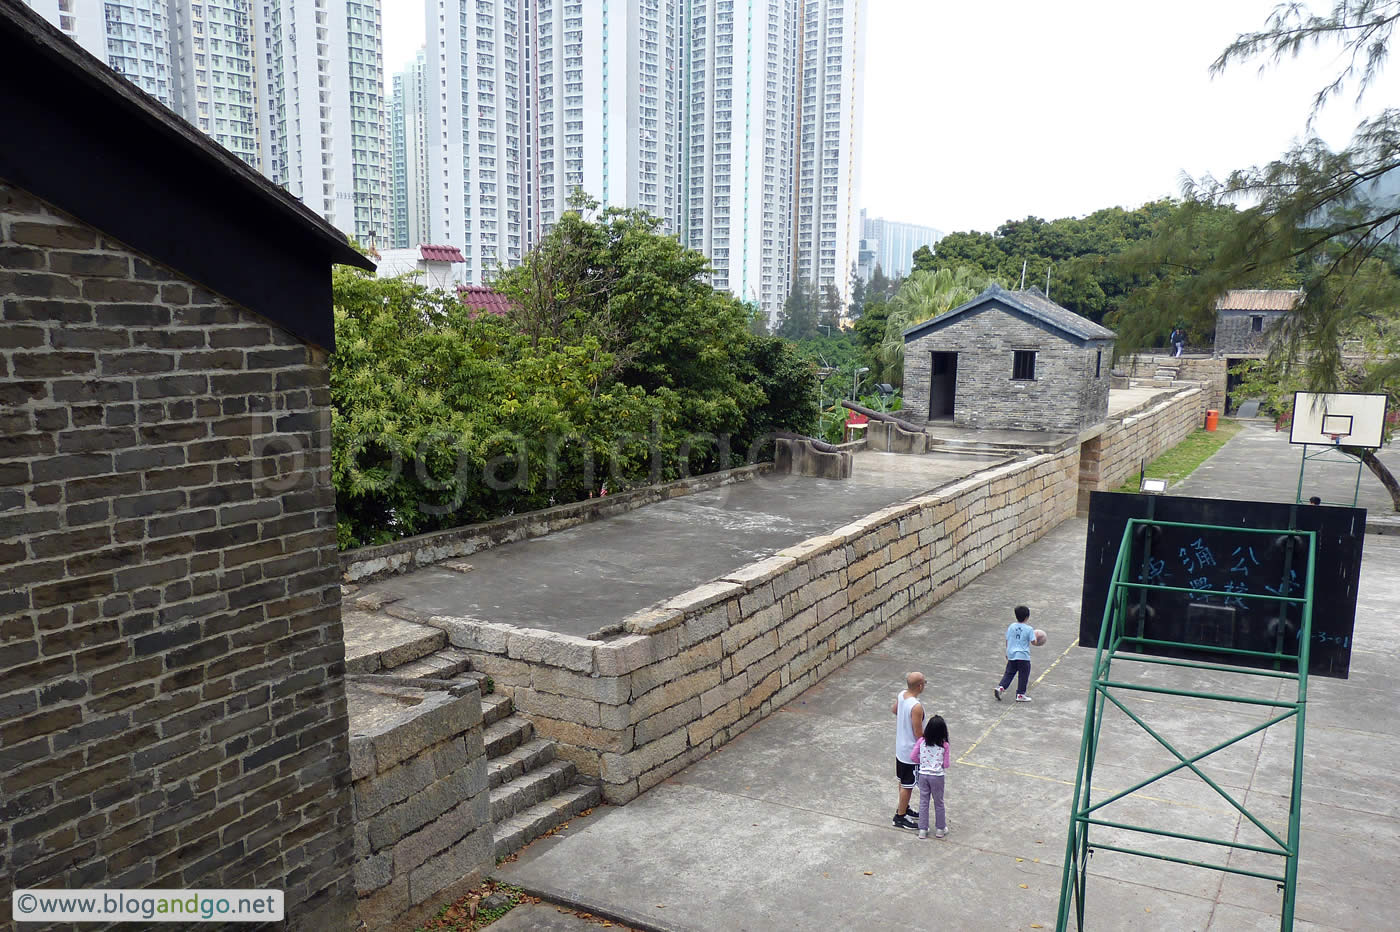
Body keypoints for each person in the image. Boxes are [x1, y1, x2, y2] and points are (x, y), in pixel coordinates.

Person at [890, 672, 925, 830]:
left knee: (903, 782)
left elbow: (894, 710)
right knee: (908, 785)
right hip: (910, 753)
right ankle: (900, 817)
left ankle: (904, 807)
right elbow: (918, 733)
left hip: (900, 749)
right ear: (920, 686)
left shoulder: (902, 694)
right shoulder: (916, 706)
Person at [913, 713, 951, 839]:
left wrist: (923, 762)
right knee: (939, 802)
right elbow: (946, 764)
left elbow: (913, 757)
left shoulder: (921, 742)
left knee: (924, 802)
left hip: (923, 775)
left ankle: (922, 830)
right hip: (937, 776)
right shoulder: (944, 745)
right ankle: (940, 828)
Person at [994, 606, 1036, 703]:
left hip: (1012, 655)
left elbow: (1008, 640)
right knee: (1023, 675)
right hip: (1023, 656)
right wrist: (1038, 639)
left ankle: (1001, 687)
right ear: (1027, 617)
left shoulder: (1011, 626)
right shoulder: (1029, 629)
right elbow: (1034, 642)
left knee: (1009, 673)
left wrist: (1007, 652)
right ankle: (1020, 694)